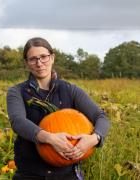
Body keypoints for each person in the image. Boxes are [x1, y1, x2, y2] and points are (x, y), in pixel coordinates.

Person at [6, 37, 110, 180]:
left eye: (44, 57)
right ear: (26, 63)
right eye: (33, 59)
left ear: (52, 57)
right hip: (30, 173)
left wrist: (94, 138)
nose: (39, 63)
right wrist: (49, 138)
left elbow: (101, 117)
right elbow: (17, 121)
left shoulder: (70, 90)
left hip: (67, 173)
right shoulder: (17, 92)